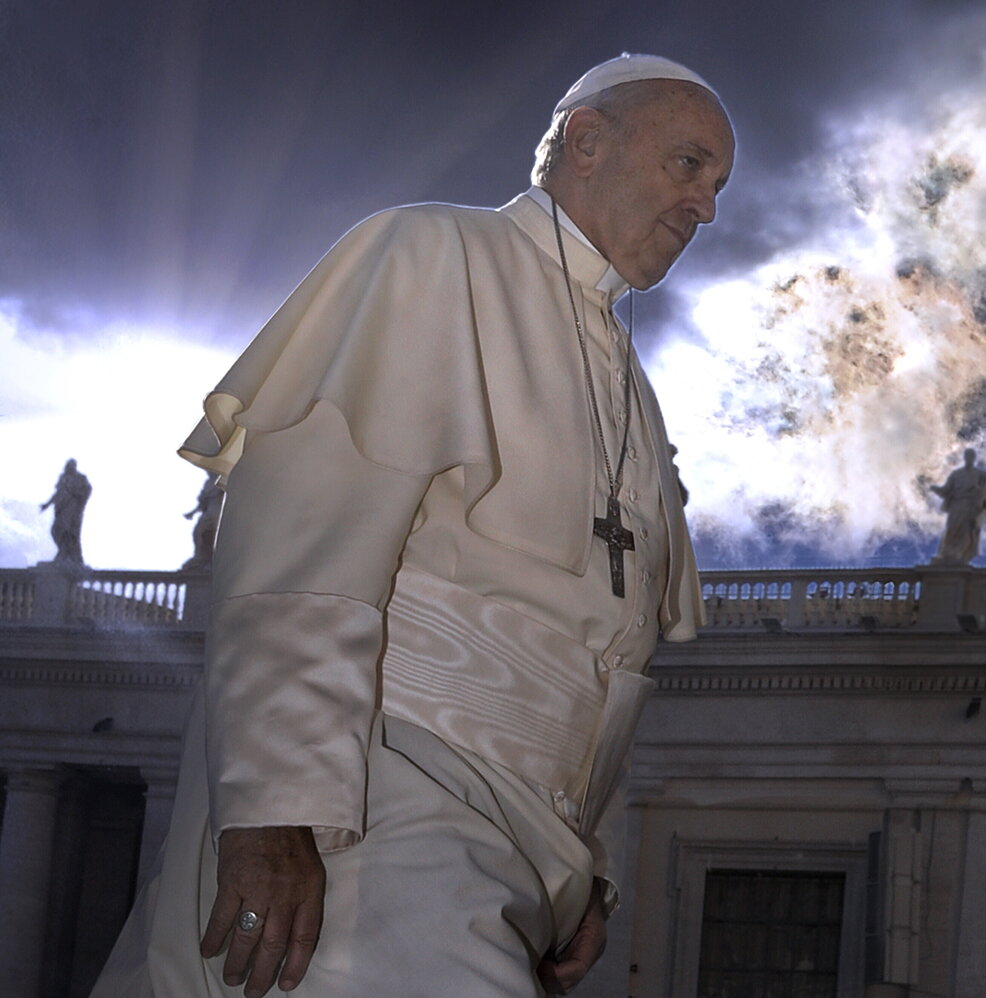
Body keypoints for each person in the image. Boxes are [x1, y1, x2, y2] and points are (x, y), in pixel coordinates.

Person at [92, 53, 726, 998]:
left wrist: (584, 866)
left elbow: (606, 646)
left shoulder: (634, 383)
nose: (705, 207)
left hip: (523, 848)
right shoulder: (430, 253)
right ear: (587, 140)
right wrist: (275, 809)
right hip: (378, 808)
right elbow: (301, 543)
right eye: (689, 165)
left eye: (718, 187)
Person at [930, 448, 986, 565]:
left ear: (974, 458)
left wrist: (983, 500)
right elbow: (946, 490)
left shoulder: (981, 475)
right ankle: (946, 555)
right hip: (957, 504)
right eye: (967, 455)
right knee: (952, 529)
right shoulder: (956, 474)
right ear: (964, 457)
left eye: (971, 456)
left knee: (966, 531)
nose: (969, 458)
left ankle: (959, 556)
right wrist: (934, 489)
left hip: (972, 507)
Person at [39, 458, 92, 565]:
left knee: (67, 532)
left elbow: (87, 490)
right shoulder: (63, 478)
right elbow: (57, 493)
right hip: (60, 509)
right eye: (68, 465)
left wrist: (77, 494)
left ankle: (66, 556)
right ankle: (64, 554)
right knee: (56, 531)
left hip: (72, 510)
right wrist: (47, 504)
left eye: (71, 465)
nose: (68, 467)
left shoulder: (80, 478)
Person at [181, 473, 224, 571]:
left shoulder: (225, 479)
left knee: (216, 533)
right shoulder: (209, 483)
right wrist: (192, 513)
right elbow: (202, 503)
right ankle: (200, 557)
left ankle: (215, 559)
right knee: (198, 532)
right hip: (209, 513)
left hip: (219, 511)